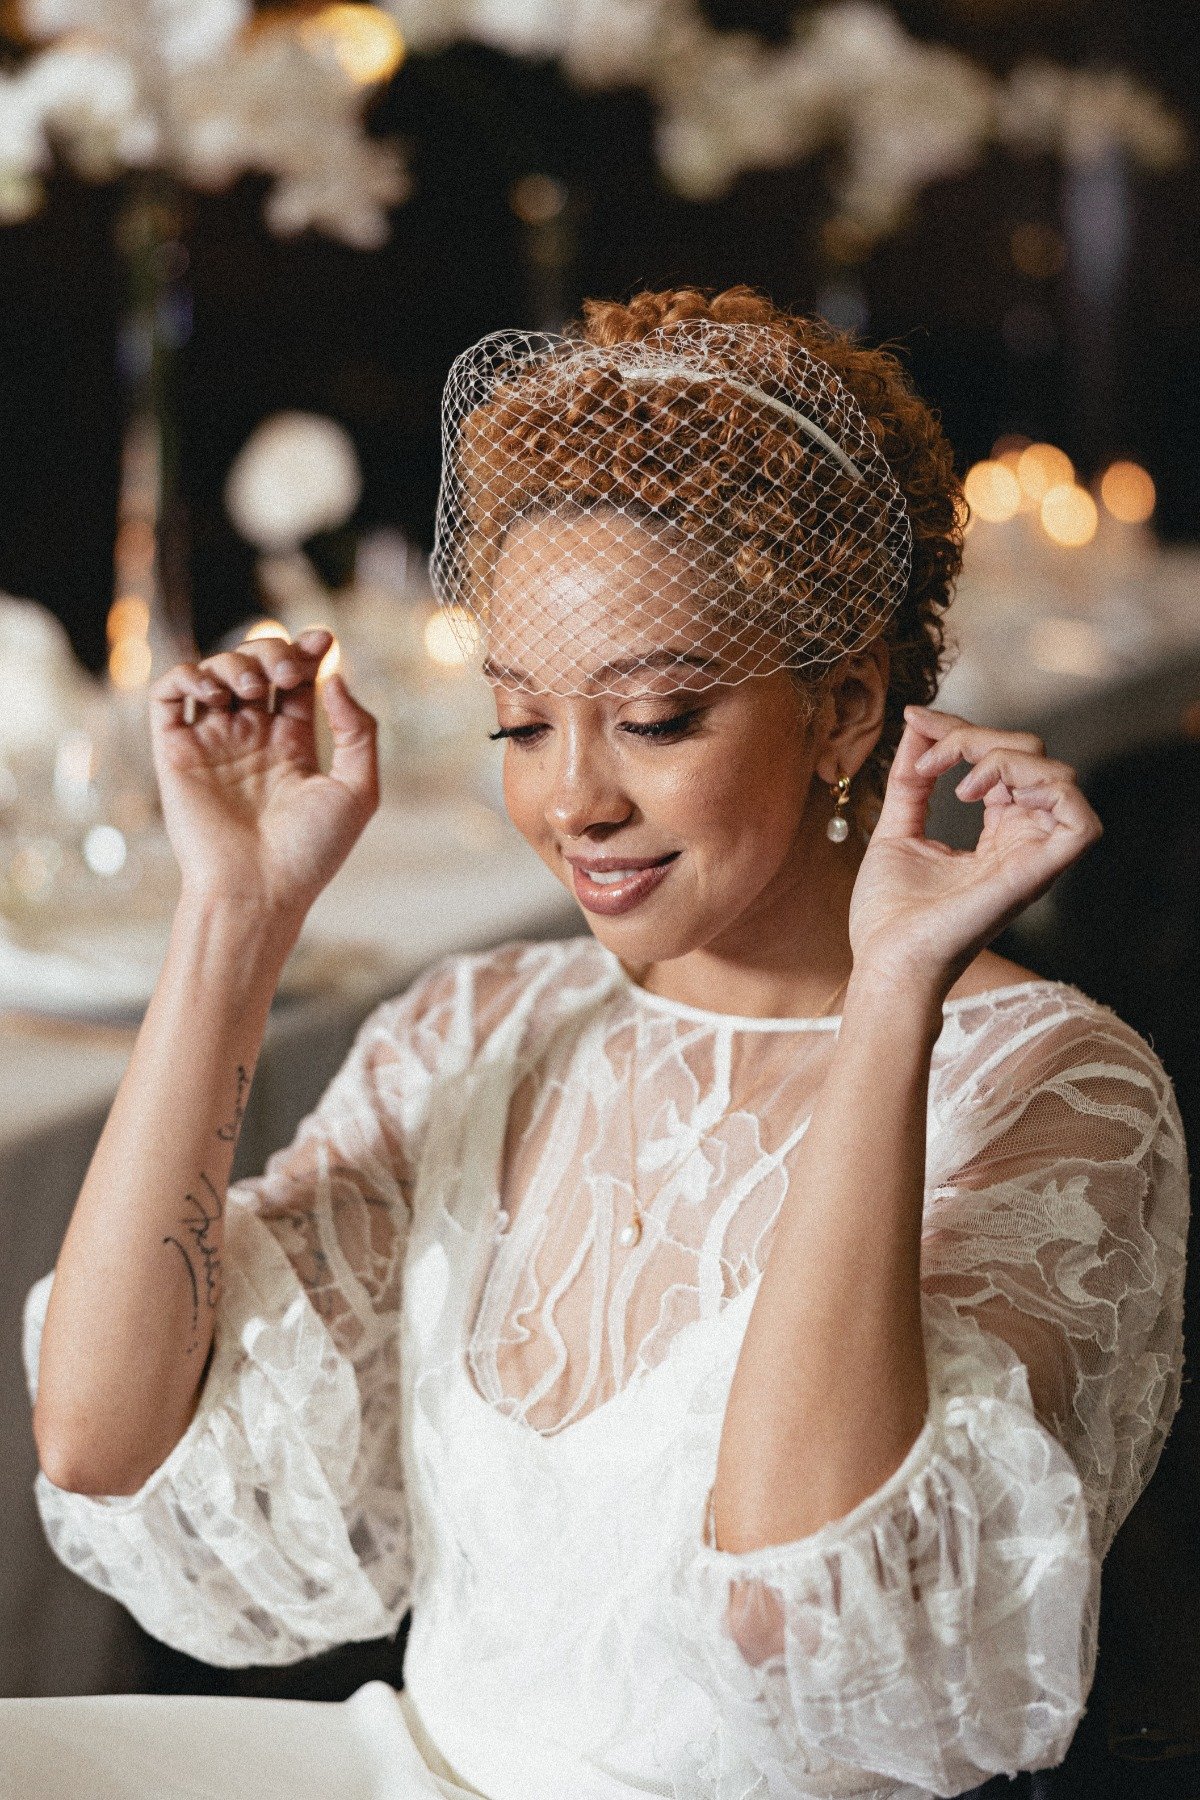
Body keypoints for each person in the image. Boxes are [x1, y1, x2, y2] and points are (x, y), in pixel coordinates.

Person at [3, 286, 1188, 1800]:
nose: (573, 801)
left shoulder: (1052, 1084)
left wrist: (891, 998)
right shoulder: (479, 1024)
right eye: (521, 724)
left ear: (845, 708)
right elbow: (100, 1439)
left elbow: (799, 1623)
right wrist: (235, 918)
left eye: (660, 717)